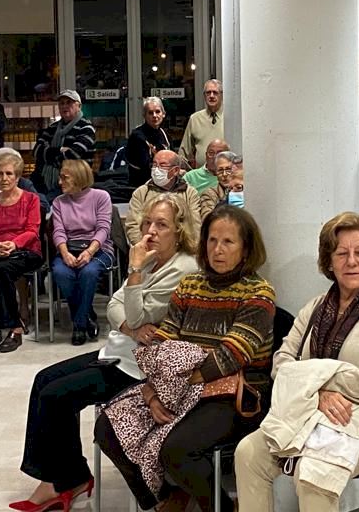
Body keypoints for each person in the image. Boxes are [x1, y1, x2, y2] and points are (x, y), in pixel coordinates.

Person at [10, 195, 200, 512]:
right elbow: (114, 305)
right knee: (44, 379)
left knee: (57, 395)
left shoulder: (182, 269)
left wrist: (134, 273)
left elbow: (136, 314)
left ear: (179, 231)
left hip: (141, 366)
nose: (151, 231)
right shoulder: (152, 258)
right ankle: (66, 476)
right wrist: (129, 326)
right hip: (122, 349)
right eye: (148, 223)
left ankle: (61, 481)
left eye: (162, 224)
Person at [234, 212, 359, 511]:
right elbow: (282, 362)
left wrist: (309, 382)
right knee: (248, 452)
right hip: (312, 414)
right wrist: (319, 394)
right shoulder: (316, 307)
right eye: (341, 253)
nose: (351, 262)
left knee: (314, 472)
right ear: (329, 261)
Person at [95, 206, 276, 512]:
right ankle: (166, 497)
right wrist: (152, 392)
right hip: (177, 384)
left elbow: (229, 357)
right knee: (107, 428)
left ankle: (220, 508)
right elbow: (162, 341)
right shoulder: (191, 284)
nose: (217, 250)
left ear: (246, 248)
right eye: (212, 240)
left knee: (177, 449)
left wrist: (172, 385)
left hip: (233, 394)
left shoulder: (258, 293)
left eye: (228, 242)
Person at [0, 148, 42, 353]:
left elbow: (32, 231)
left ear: (18, 176)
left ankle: (15, 327)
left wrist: (14, 244)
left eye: (9, 173)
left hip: (25, 250)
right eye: (0, 174)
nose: (4, 178)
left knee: (2, 270)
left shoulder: (31, 199)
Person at [50, 159, 113, 346]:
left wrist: (90, 252)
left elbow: (103, 229)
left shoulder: (101, 197)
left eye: (65, 178)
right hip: (69, 248)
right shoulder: (58, 202)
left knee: (89, 272)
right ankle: (87, 314)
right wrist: (64, 253)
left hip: (98, 248)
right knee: (61, 272)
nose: (60, 182)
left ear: (78, 177)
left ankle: (79, 325)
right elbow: (58, 232)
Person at [125, 150, 201, 246]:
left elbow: (195, 226)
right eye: (154, 165)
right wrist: (146, 246)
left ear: (176, 170)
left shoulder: (190, 193)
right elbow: (132, 226)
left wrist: (186, 248)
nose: (156, 169)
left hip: (181, 249)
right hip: (148, 248)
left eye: (162, 165)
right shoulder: (141, 193)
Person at [31, 89, 96, 202]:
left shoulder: (86, 128)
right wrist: (61, 150)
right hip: (44, 180)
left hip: (74, 183)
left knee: (44, 203)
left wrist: (49, 154)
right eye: (61, 103)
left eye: (69, 102)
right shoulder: (52, 128)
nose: (65, 106)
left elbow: (73, 155)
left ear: (79, 106)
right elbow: (36, 151)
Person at [127, 96, 172, 187]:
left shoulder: (165, 134)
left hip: (164, 183)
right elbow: (145, 166)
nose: (154, 116)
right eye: (150, 113)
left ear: (163, 114)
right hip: (141, 185)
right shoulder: (137, 136)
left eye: (158, 111)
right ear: (144, 115)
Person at [179, 79, 225, 168]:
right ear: (204, 95)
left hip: (225, 173)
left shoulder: (230, 118)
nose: (211, 96)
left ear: (221, 95)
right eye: (208, 93)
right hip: (201, 174)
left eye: (215, 92)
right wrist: (181, 169)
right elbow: (184, 151)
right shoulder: (195, 119)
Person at [198, 151, 241, 219]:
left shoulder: (243, 190)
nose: (224, 174)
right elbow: (207, 219)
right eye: (220, 170)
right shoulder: (209, 194)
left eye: (228, 169)